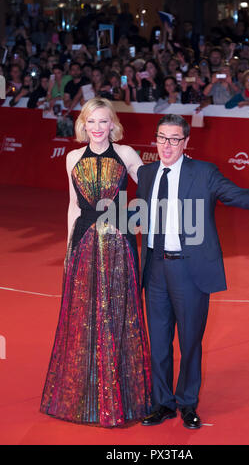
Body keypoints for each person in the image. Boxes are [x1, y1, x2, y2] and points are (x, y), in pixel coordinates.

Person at [137, 114, 249, 429]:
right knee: (159, 341)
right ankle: (162, 403)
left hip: (188, 269)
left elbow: (231, 193)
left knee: (190, 341)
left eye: (174, 139)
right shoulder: (146, 173)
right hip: (155, 268)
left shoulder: (203, 172)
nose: (167, 145)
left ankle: (188, 403)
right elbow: (141, 217)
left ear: (186, 142)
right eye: (162, 138)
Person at [40, 97, 152, 427]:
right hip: (84, 242)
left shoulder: (127, 153)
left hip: (119, 243)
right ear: (83, 125)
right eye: (92, 121)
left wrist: (135, 218)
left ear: (113, 124)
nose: (98, 128)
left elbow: (150, 186)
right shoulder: (73, 157)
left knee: (119, 315)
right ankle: (86, 392)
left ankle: (122, 394)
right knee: (85, 317)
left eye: (104, 121)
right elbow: (74, 206)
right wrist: (68, 248)